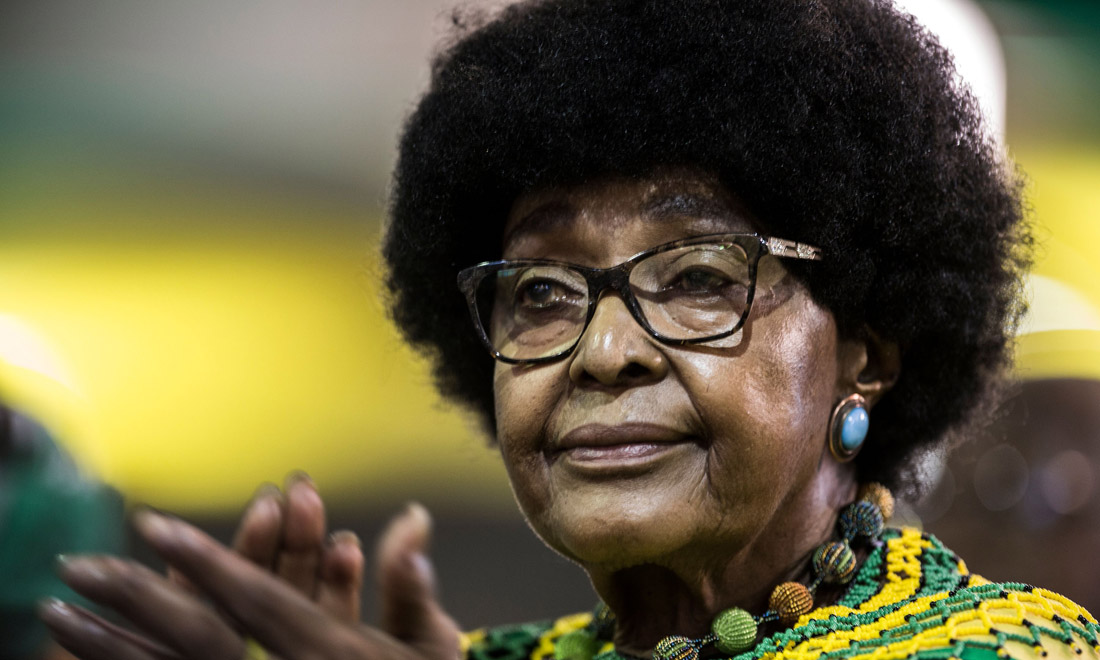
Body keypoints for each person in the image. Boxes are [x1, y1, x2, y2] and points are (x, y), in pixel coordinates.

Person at [35, 0, 1100, 659]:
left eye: (696, 277)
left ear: (868, 347)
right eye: (541, 293)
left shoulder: (1018, 647)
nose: (603, 351)